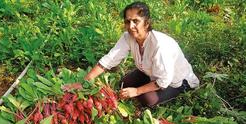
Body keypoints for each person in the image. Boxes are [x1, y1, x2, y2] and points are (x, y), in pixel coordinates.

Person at [64, 1, 199, 108]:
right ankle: (145, 85)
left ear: (147, 23)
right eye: (128, 21)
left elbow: (164, 81)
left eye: (136, 21)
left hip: (176, 81)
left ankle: (182, 90)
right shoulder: (128, 37)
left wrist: (137, 91)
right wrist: (84, 82)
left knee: (147, 99)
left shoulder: (160, 45)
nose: (131, 26)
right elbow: (109, 60)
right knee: (124, 83)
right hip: (151, 73)